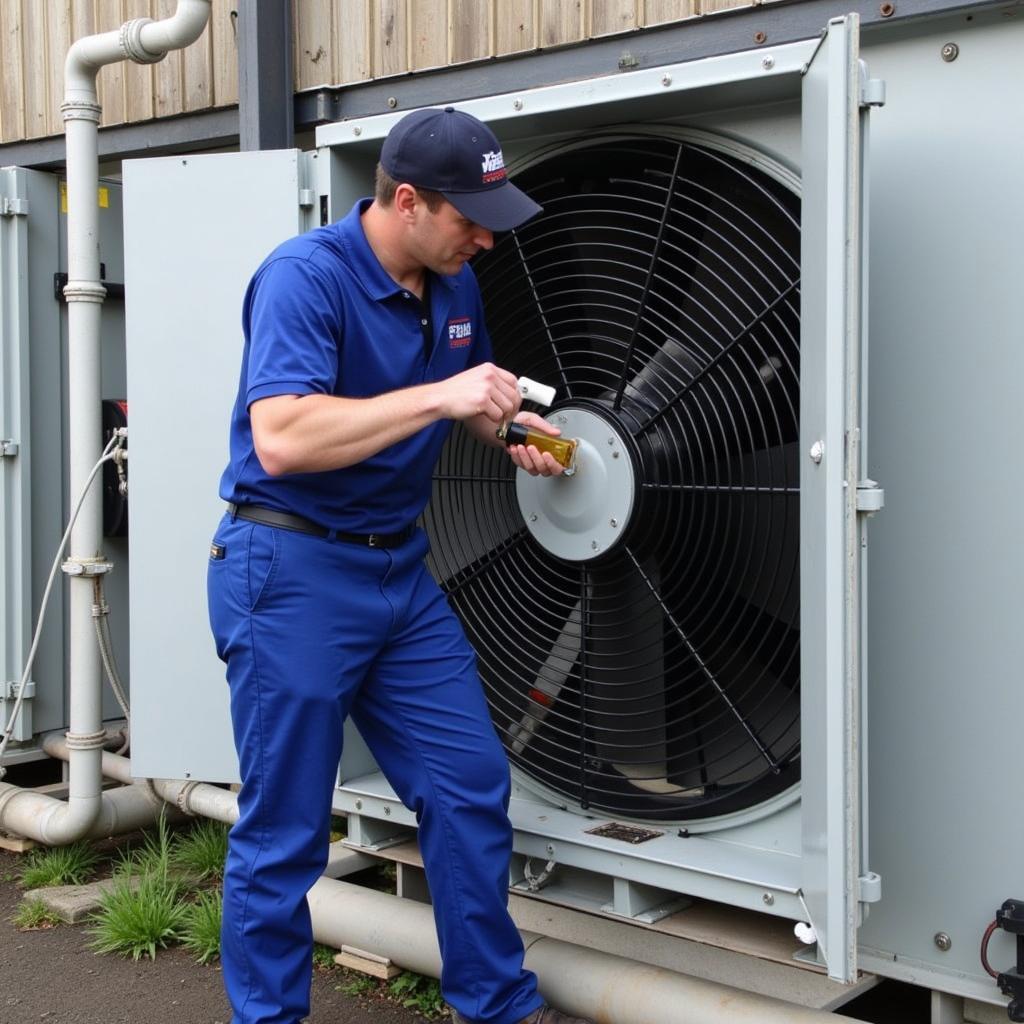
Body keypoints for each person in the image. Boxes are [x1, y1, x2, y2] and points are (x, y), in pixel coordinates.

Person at [207, 106, 594, 1024]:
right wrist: (440, 396)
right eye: (471, 217)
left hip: (398, 577)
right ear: (407, 200)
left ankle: (496, 1004)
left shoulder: (451, 279)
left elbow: (469, 394)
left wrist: (510, 427)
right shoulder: (305, 279)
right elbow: (286, 436)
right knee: (286, 831)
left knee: (468, 788)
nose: (486, 240)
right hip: (290, 572)